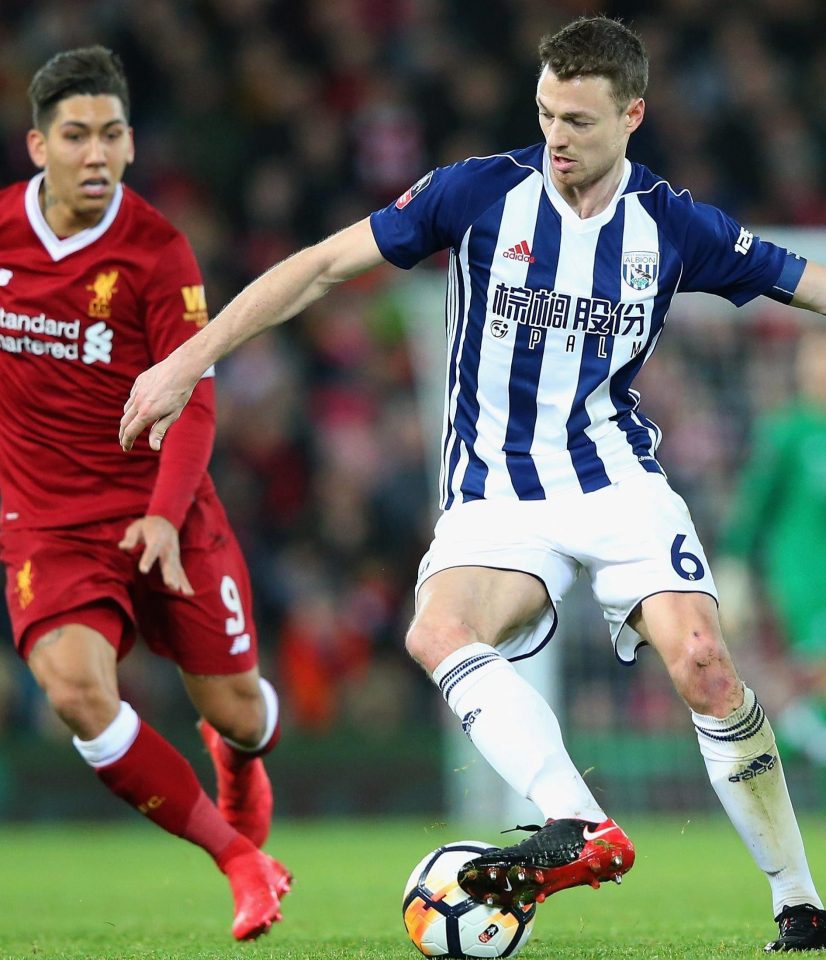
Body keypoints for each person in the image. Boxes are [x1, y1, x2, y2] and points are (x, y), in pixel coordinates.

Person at [120, 16, 826, 951]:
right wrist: (186, 362)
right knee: (436, 629)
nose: (556, 137)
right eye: (544, 114)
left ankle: (799, 904)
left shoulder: (674, 225)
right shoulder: (478, 193)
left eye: (578, 119)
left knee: (704, 664)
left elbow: (800, 278)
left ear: (634, 115)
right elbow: (323, 267)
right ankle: (580, 827)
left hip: (616, 477)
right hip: (494, 491)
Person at [0, 46, 290, 941]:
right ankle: (238, 859)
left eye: (112, 135)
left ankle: (235, 761)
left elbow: (194, 402)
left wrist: (164, 518)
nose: (96, 154)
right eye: (76, 135)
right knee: (78, 694)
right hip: (46, 521)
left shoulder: (158, 250)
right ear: (38, 144)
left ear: (131, 146)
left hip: (164, 510)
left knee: (240, 714)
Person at [717, 326, 826, 768]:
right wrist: (733, 569)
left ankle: (786, 730)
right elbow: (752, 511)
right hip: (806, 581)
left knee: (809, 696)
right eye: (815, 358)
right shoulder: (788, 433)